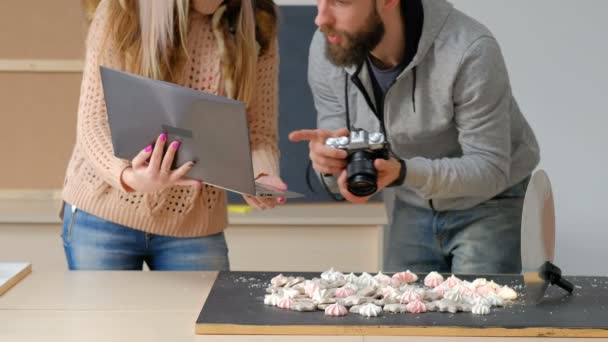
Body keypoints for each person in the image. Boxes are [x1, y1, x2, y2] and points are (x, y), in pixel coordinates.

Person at [290, 0, 540, 274]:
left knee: (478, 313)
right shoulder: (331, 44)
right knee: (402, 313)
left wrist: (404, 173)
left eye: (340, 2)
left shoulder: (470, 49)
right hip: (411, 198)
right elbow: (337, 147)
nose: (321, 18)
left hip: (490, 202)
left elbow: (489, 169)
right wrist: (329, 163)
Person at [61, 0, 286, 270]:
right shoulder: (122, 9)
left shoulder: (258, 21)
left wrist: (261, 176)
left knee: (207, 313)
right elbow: (94, 121)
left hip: (194, 224)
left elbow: (259, 132)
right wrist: (130, 177)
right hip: (103, 213)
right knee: (104, 315)